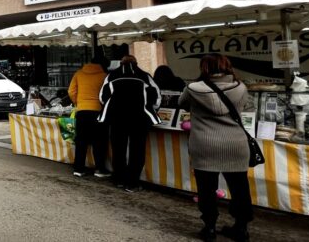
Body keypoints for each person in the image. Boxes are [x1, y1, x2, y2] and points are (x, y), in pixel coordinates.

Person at [178, 54, 253, 242]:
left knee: (206, 189)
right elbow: (246, 105)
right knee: (239, 188)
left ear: (204, 68)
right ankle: (241, 228)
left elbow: (182, 104)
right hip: (235, 144)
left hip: (204, 144)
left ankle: (209, 228)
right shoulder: (241, 87)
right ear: (227, 66)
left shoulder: (193, 89)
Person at [99, 55, 161, 193]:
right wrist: (152, 109)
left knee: (118, 149)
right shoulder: (145, 76)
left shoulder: (111, 76)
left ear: (120, 63)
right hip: (139, 119)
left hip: (117, 119)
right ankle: (132, 183)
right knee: (137, 150)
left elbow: (102, 97)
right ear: (136, 63)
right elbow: (156, 97)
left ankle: (119, 179)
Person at [68, 54, 111, 178]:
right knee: (99, 142)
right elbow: (106, 94)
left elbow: (71, 91)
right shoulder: (104, 76)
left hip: (81, 111)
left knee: (81, 141)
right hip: (98, 112)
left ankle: (78, 169)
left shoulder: (79, 74)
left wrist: (78, 102)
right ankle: (100, 169)